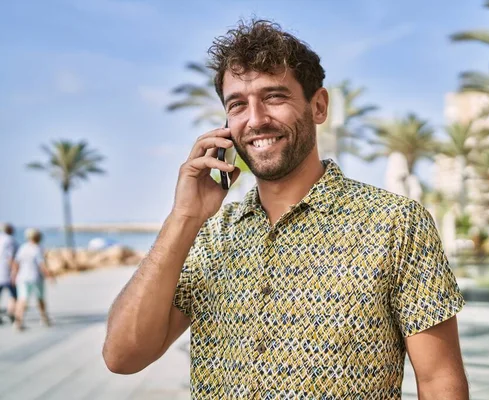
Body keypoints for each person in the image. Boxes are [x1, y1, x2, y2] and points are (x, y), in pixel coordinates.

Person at [103, 19, 469, 399]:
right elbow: (122, 356)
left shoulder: (396, 224)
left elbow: (439, 379)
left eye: (274, 96)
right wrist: (183, 218)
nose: (257, 119)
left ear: (319, 106)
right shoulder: (211, 235)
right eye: (238, 105)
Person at [13, 228, 53, 331]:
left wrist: (14, 275)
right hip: (35, 278)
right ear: (38, 237)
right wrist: (50, 276)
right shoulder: (38, 248)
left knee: (22, 299)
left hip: (22, 278)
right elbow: (42, 265)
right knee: (40, 298)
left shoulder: (23, 248)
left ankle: (18, 322)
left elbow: (16, 263)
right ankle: (44, 318)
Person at [0, 223, 18, 324]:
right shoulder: (10, 240)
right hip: (6, 273)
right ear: (9, 230)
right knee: (14, 295)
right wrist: (15, 271)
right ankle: (11, 314)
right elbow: (10, 257)